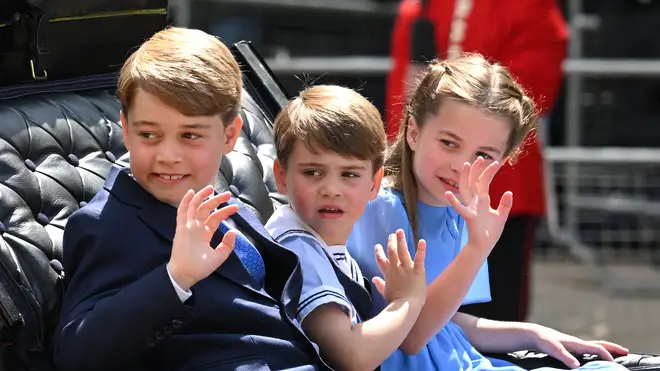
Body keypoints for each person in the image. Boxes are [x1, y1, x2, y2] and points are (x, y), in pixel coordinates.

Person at [54, 27, 329, 371]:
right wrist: (175, 278)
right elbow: (76, 354)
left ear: (230, 135)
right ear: (125, 130)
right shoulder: (106, 225)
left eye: (189, 135)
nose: (168, 155)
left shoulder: (232, 207)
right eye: (149, 134)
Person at [347, 53, 629, 371]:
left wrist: (532, 333)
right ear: (413, 132)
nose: (461, 165)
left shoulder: (463, 215)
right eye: (449, 143)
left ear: (504, 160)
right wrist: (476, 249)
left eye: (483, 154)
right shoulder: (379, 209)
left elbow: (448, 323)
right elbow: (412, 336)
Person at [385, 0, 569, 322]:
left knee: (493, 312)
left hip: (496, 189)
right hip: (421, 185)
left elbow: (528, 97)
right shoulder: (417, 9)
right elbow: (403, 100)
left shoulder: (529, 6)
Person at [265, 85, 427, 371]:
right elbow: (353, 356)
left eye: (349, 174)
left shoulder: (324, 242)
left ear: (374, 184)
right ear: (281, 175)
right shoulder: (296, 247)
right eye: (312, 172)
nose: (331, 189)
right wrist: (409, 300)